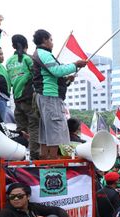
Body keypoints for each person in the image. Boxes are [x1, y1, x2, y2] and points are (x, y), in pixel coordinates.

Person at [31, 29, 87, 160]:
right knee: (55, 130)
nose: (52, 43)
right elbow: (56, 71)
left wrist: (66, 80)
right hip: (50, 97)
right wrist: (75, 65)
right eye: (50, 40)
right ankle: (54, 161)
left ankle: (45, 159)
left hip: (47, 96)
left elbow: (53, 75)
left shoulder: (41, 54)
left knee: (46, 133)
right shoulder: (43, 53)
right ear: (44, 40)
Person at [6, 34, 39, 159]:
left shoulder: (8, 61)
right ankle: (35, 156)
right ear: (26, 45)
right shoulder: (27, 58)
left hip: (16, 98)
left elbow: (9, 81)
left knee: (21, 130)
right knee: (34, 125)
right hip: (29, 97)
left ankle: (19, 155)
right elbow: (36, 74)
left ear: (13, 46)